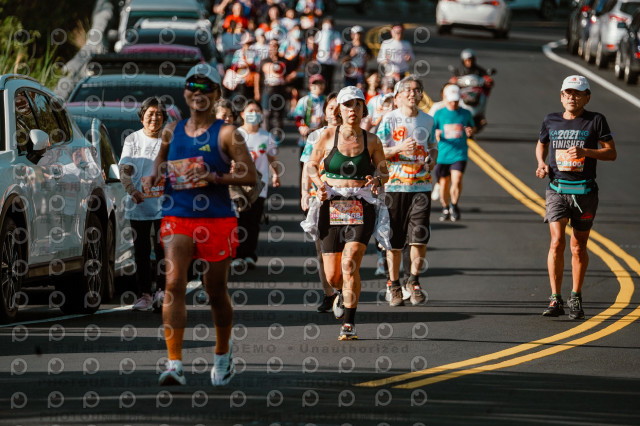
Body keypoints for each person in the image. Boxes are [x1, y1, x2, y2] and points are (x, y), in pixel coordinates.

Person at [150, 64, 257, 386]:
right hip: (178, 214)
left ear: (216, 93)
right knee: (173, 284)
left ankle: (223, 354)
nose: (198, 94)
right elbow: (160, 161)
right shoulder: (172, 130)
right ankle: (174, 364)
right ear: (185, 92)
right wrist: (154, 175)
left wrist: (215, 177)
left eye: (206, 88)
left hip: (217, 218)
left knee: (215, 290)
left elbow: (251, 175)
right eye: (192, 87)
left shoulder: (227, 133)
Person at [305, 86, 389, 339]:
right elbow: (311, 165)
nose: (353, 109)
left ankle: (349, 324)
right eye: (347, 105)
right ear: (339, 110)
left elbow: (384, 171)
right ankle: (341, 292)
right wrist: (318, 185)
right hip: (331, 204)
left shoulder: (372, 140)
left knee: (350, 264)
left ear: (364, 109)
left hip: (360, 205)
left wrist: (377, 180)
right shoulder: (326, 136)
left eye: (358, 104)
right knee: (333, 276)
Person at [535, 75, 616, 319]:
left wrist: (585, 151)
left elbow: (611, 153)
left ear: (587, 97)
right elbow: (541, 144)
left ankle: (576, 296)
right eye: (568, 93)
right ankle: (555, 298)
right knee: (557, 241)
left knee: (578, 247)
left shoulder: (596, 120)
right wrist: (541, 163)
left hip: (585, 192)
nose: (572, 97)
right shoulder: (551, 119)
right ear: (561, 96)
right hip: (557, 189)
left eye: (578, 93)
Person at [376, 75, 436, 307]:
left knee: (419, 237)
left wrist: (432, 160)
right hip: (394, 186)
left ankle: (414, 281)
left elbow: (433, 146)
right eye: (408, 90)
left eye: (417, 90)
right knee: (394, 240)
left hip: (421, 185)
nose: (413, 93)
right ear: (398, 96)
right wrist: (399, 147)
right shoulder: (390, 119)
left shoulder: (428, 120)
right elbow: (377, 150)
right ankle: (393, 284)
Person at [119, 97, 168, 312]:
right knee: (141, 251)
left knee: (163, 249)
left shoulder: (168, 140)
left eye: (158, 114)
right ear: (142, 118)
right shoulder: (133, 139)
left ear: (163, 118)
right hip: (139, 204)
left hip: (165, 204)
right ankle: (144, 295)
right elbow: (124, 169)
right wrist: (132, 190)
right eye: (150, 114)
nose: (154, 118)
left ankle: (162, 292)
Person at [300, 91, 340, 312]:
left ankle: (344, 291)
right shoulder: (315, 136)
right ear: (324, 112)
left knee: (344, 251)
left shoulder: (354, 136)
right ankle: (328, 294)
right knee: (322, 250)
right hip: (320, 198)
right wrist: (304, 192)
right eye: (330, 108)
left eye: (339, 107)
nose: (335, 112)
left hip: (347, 201)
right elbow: (308, 166)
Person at [232, 100, 281, 270]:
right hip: (238, 186)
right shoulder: (235, 134)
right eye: (250, 110)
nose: (253, 114)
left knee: (253, 221)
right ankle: (237, 255)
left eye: (257, 111)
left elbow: (272, 158)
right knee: (239, 221)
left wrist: (275, 174)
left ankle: (249, 255)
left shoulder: (266, 137)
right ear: (242, 114)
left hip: (259, 187)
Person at [432, 85, 474, 222]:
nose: (454, 103)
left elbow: (471, 127)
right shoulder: (439, 113)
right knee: (444, 183)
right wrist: (436, 134)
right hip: (443, 154)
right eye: (451, 101)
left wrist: (470, 132)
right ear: (446, 99)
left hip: (459, 153)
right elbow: (431, 132)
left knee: (457, 179)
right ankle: (445, 207)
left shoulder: (466, 113)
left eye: (456, 101)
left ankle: (454, 205)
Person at [294, 74, 327, 159]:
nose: (318, 86)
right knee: (306, 161)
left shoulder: (327, 100)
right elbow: (298, 117)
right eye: (315, 84)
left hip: (323, 135)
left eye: (320, 83)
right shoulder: (304, 101)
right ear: (310, 86)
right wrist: (302, 127)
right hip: (308, 135)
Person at [316, 17, 342, 92]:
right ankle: (321, 92)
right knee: (321, 77)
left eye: (329, 23)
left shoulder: (336, 33)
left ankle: (328, 93)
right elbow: (316, 45)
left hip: (331, 60)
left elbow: (338, 44)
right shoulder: (320, 33)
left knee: (329, 78)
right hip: (321, 59)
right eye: (326, 23)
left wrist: (336, 53)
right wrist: (314, 56)